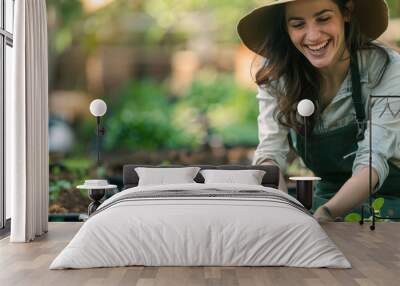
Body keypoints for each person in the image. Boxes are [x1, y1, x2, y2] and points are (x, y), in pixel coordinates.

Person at [237, 0, 400, 221]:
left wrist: (323, 217)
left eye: (323, 19)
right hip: (326, 201)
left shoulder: (386, 68)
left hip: (390, 206)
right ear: (285, 27)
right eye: (297, 24)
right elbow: (270, 154)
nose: (313, 36)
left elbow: (373, 160)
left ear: (347, 12)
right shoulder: (279, 73)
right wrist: (286, 214)